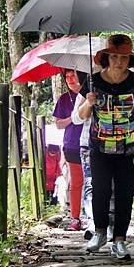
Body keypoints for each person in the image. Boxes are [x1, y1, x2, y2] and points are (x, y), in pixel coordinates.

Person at [78, 34, 134, 259]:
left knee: (125, 193)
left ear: (130, 59)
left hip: (129, 147)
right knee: (100, 190)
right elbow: (82, 115)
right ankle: (99, 232)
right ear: (107, 57)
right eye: (114, 56)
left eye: (123, 57)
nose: (118, 61)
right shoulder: (93, 81)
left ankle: (120, 239)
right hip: (99, 146)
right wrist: (89, 101)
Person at [71, 92, 115, 242]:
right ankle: (93, 223)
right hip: (89, 143)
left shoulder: (121, 84)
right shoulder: (87, 90)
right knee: (91, 184)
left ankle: (109, 224)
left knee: (111, 185)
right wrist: (88, 102)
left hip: (114, 142)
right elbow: (76, 119)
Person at [53, 69, 87, 231]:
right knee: (76, 182)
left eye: (73, 76)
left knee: (95, 182)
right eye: (66, 77)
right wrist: (74, 118)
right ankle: (75, 218)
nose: (70, 79)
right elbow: (58, 124)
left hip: (92, 142)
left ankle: (95, 217)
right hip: (72, 144)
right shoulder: (64, 99)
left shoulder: (91, 95)